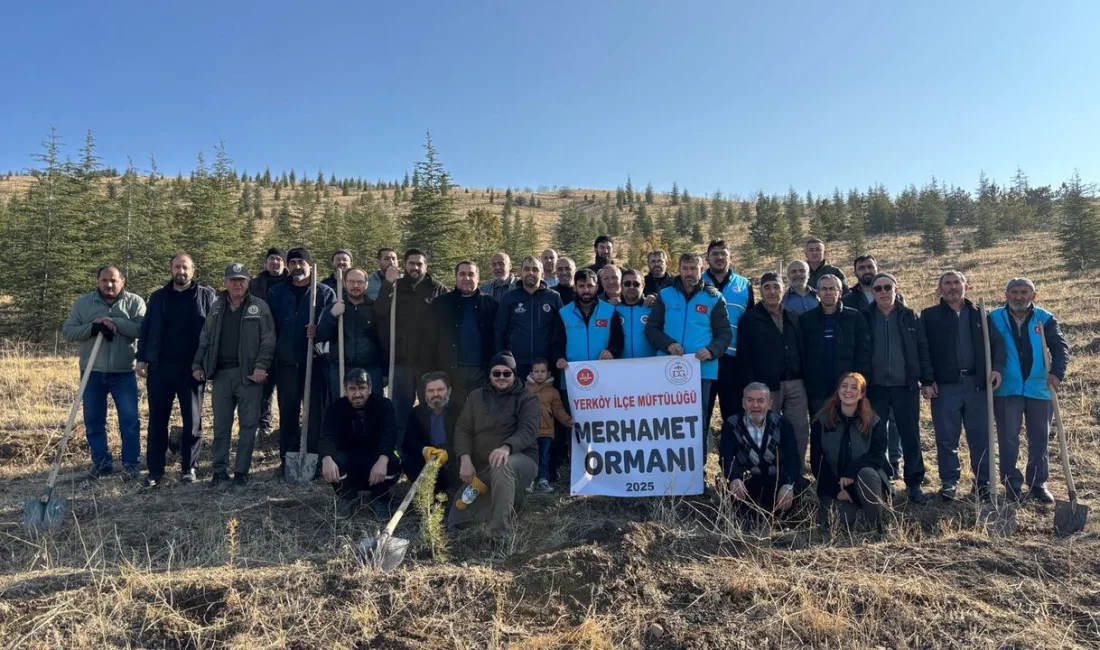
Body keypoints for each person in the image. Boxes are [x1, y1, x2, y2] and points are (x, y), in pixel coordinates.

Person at [192, 263, 276, 486]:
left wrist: (261, 366)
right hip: (221, 374)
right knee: (221, 425)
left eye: (241, 280)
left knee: (248, 425)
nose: (237, 284)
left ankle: (241, 472)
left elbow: (268, 340)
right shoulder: (217, 308)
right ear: (225, 283)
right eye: (233, 280)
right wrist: (198, 364)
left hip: (248, 376)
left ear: (248, 282)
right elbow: (205, 338)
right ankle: (219, 471)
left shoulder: (259, 307)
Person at [137, 253, 216, 487]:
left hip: (192, 369)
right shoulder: (158, 297)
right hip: (160, 368)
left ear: (193, 271)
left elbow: (213, 332)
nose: (181, 272)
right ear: (171, 270)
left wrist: (208, 364)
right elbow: (146, 329)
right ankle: (155, 470)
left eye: (185, 268)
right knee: (157, 420)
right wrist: (142, 359)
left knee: (192, 421)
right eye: (177, 267)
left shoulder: (206, 296)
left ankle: (189, 468)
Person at [62, 264, 147, 479]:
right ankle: (101, 463)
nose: (109, 285)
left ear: (122, 281)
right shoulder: (84, 303)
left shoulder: (135, 302)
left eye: (113, 280)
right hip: (92, 372)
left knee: (129, 420)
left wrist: (115, 323)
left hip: (123, 372)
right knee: (93, 420)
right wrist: (93, 327)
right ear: (98, 281)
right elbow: (69, 332)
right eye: (104, 281)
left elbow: (142, 329)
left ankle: (131, 464)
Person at [450, 352, 540, 553]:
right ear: (489, 375)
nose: (501, 377)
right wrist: (464, 458)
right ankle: (513, 502)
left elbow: (529, 430)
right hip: (483, 468)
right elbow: (463, 428)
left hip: (520, 463)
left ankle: (499, 537)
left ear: (514, 375)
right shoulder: (475, 396)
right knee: (458, 513)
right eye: (496, 373)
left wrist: (506, 447)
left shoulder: (527, 398)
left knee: (502, 466)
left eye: (506, 373)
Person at [920, 271, 998, 501]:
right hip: (945, 387)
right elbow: (923, 350)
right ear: (939, 289)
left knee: (980, 436)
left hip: (977, 385)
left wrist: (996, 369)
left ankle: (983, 482)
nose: (952, 287)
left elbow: (997, 347)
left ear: (967, 286)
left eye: (957, 283)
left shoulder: (982, 315)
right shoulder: (929, 316)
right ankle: (949, 482)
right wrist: (927, 379)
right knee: (946, 437)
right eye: (947, 284)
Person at [990, 277, 1068, 503]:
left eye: (1024, 292)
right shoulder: (994, 317)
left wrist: (1057, 372)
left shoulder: (1045, 318)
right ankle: (1011, 484)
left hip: (1039, 387)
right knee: (1008, 439)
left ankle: (1038, 483)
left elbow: (1060, 347)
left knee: (1039, 438)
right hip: (1007, 388)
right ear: (1007, 295)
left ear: (1033, 295)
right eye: (1014, 292)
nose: (1018, 297)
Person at [645, 252, 733, 448]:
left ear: (702, 269)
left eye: (694, 268)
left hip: (701, 370)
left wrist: (711, 350)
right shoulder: (665, 295)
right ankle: (668, 465)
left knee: (697, 419)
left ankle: (696, 469)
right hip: (667, 367)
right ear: (679, 269)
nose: (689, 273)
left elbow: (724, 334)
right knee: (666, 418)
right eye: (685, 268)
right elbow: (652, 329)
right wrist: (667, 344)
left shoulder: (714, 297)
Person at [863, 273, 933, 503]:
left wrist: (927, 380)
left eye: (887, 288)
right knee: (877, 435)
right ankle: (884, 480)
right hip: (875, 387)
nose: (883, 292)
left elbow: (923, 348)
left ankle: (914, 483)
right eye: (878, 288)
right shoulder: (865, 317)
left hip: (905, 386)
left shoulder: (910, 316)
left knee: (910, 435)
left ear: (896, 289)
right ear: (873, 292)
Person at [267, 248, 337, 472]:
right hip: (287, 362)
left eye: (301, 262)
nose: (297, 266)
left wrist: (319, 331)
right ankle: (287, 458)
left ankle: (315, 458)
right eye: (293, 262)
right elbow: (270, 328)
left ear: (310, 265)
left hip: (315, 361)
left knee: (315, 412)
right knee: (287, 411)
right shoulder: (277, 293)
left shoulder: (324, 292)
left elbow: (332, 327)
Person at [373, 248, 447, 445]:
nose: (415, 267)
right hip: (400, 363)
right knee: (400, 414)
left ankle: (432, 457)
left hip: (428, 365)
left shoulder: (437, 289)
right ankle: (398, 456)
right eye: (411, 263)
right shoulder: (395, 287)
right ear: (404, 265)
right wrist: (388, 283)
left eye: (419, 263)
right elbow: (379, 312)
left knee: (432, 411)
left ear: (426, 266)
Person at [737, 273, 809, 466]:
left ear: (783, 288)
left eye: (776, 286)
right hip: (766, 386)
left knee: (799, 429)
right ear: (760, 291)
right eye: (767, 287)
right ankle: (768, 473)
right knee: (766, 430)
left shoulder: (793, 316)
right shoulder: (749, 319)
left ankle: (796, 472)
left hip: (795, 382)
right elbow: (745, 356)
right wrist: (751, 386)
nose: (772, 291)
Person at [811, 372, 891, 531]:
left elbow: (877, 457)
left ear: (861, 394)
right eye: (844, 386)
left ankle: (876, 528)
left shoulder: (874, 422)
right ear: (838, 390)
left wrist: (851, 472)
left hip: (867, 482)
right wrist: (836, 489)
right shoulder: (822, 421)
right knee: (839, 519)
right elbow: (816, 462)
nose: (848, 391)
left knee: (867, 473)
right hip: (834, 487)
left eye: (855, 387)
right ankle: (865, 515)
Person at [319, 368, 402, 519]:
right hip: (350, 462)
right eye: (352, 389)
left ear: (369, 389)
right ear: (346, 390)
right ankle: (347, 496)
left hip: (376, 460)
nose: (357, 394)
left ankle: (380, 498)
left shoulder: (383, 405)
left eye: (362, 388)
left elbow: (390, 435)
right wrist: (327, 459)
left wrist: (383, 459)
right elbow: (327, 436)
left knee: (394, 460)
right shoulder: (336, 408)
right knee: (327, 458)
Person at [719, 383, 799, 519]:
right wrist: (734, 477)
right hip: (747, 481)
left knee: (797, 489)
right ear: (743, 403)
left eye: (760, 401)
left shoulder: (782, 424)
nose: (755, 405)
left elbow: (793, 458)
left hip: (775, 482)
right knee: (731, 494)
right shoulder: (731, 424)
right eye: (750, 400)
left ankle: (781, 519)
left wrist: (788, 484)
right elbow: (725, 457)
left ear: (769, 403)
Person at [429, 260, 498, 408]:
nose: (466, 278)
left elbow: (497, 338)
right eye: (462, 274)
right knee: (453, 416)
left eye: (471, 274)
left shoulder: (490, 303)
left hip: (481, 372)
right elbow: (430, 340)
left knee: (481, 415)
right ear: (456, 277)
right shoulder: (440, 304)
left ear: (478, 278)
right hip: (451, 372)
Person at [799, 274, 871, 417]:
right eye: (824, 289)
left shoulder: (855, 318)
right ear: (818, 293)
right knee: (819, 431)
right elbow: (802, 353)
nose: (828, 292)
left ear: (840, 292)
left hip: (848, 387)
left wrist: (860, 382)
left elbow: (864, 352)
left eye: (832, 288)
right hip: (817, 388)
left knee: (848, 428)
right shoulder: (806, 320)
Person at [701, 239, 754, 427]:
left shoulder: (744, 285)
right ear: (707, 258)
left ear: (730, 257)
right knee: (701, 416)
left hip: (732, 360)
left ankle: (729, 457)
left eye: (723, 253)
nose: (719, 257)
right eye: (714, 254)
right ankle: (701, 457)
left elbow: (750, 324)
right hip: (703, 359)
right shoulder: (696, 282)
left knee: (733, 417)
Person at [316, 267, 383, 402]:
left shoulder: (374, 308)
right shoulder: (335, 307)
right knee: (342, 406)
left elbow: (382, 340)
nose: (355, 285)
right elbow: (321, 336)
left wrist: (384, 370)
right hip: (341, 366)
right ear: (345, 283)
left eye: (360, 282)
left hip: (370, 366)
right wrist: (332, 316)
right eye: (351, 282)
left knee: (373, 406)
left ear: (366, 284)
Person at [494, 256, 563, 380]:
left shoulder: (553, 297)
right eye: (527, 269)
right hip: (516, 364)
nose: (531, 273)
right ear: (521, 272)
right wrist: (502, 360)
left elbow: (561, 331)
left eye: (535, 269)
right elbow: (499, 331)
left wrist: (557, 357)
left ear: (542, 273)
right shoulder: (509, 298)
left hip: (546, 365)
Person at [250, 247, 288, 438]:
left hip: (286, 342)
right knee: (263, 387)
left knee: (286, 389)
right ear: (266, 262)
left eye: (279, 259)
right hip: (262, 342)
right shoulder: (255, 284)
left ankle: (287, 427)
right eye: (272, 259)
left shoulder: (292, 282)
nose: (275, 262)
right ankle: (263, 426)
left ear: (285, 263)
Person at [402, 371, 461, 495]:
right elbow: (408, 443)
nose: (436, 394)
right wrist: (424, 450)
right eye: (431, 391)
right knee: (409, 462)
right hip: (426, 464)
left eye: (440, 390)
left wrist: (448, 453)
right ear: (425, 393)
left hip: (451, 465)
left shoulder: (459, 411)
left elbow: (464, 440)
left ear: (449, 391)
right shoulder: (416, 413)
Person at [553, 268, 624, 370]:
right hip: (572, 373)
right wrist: (559, 358)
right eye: (581, 286)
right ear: (575, 288)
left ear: (597, 287)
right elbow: (557, 343)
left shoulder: (609, 311)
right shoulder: (564, 313)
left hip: (603, 371)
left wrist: (612, 352)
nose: (586, 290)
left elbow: (618, 340)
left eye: (590, 286)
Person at [526, 358, 572, 492]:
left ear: (548, 373)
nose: (539, 374)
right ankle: (529, 480)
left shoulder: (553, 392)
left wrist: (567, 420)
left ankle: (543, 480)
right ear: (531, 373)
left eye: (543, 371)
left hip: (546, 432)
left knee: (544, 457)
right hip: (529, 431)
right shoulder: (525, 390)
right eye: (536, 371)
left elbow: (558, 409)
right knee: (530, 457)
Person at [616, 268, 656, 359]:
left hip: (651, 365)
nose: (631, 287)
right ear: (621, 286)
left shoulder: (654, 308)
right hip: (620, 366)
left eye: (636, 284)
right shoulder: (614, 310)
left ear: (643, 286)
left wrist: (655, 296)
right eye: (627, 284)